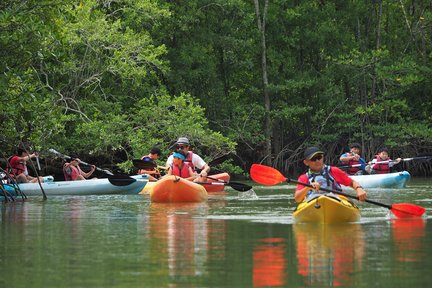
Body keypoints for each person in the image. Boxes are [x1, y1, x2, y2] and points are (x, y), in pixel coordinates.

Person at [295, 147, 367, 203]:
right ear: (306, 162)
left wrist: (359, 189)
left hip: (336, 199)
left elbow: (352, 183)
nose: (317, 161)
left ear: (323, 158)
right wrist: (308, 187)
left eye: (319, 157)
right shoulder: (303, 178)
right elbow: (298, 199)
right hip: (314, 201)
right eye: (313, 159)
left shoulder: (334, 171)